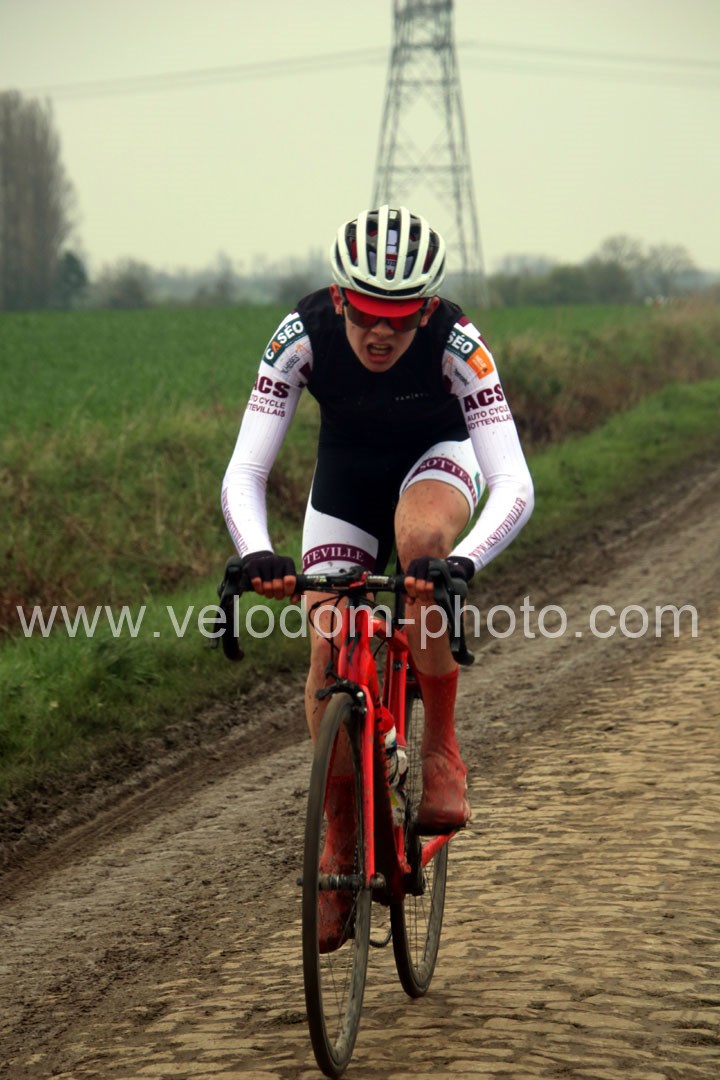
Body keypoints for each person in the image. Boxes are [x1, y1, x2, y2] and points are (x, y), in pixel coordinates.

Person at [222, 206, 533, 946]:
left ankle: (441, 748)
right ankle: (340, 838)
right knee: (328, 642)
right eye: (364, 314)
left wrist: (460, 562)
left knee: (420, 543)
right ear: (339, 299)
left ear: (426, 310)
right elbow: (246, 470)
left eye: (399, 317)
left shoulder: (459, 345)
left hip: (438, 459)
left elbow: (514, 483)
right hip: (348, 473)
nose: (380, 332)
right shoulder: (300, 335)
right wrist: (258, 552)